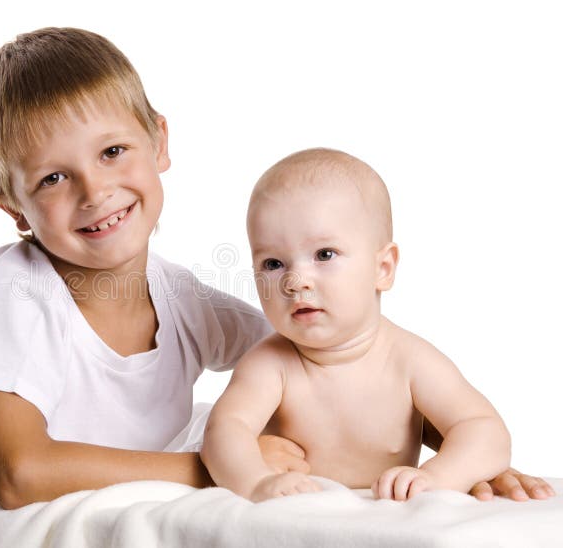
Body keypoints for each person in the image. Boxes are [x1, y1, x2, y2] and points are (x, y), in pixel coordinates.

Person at [0, 29, 551, 509]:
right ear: (11, 205)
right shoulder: (11, 295)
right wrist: (212, 471)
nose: (95, 192)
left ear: (159, 142)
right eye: (53, 177)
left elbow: (331, 366)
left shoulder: (180, 299)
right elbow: (18, 476)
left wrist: (464, 459)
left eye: (113, 151)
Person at [201, 148, 556, 502]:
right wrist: (256, 482)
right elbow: (225, 431)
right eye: (273, 263)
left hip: (386, 519)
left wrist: (436, 477)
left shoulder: (409, 360)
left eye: (324, 254)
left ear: (383, 268)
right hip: (303, 515)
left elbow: (485, 430)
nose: (294, 281)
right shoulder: (270, 365)